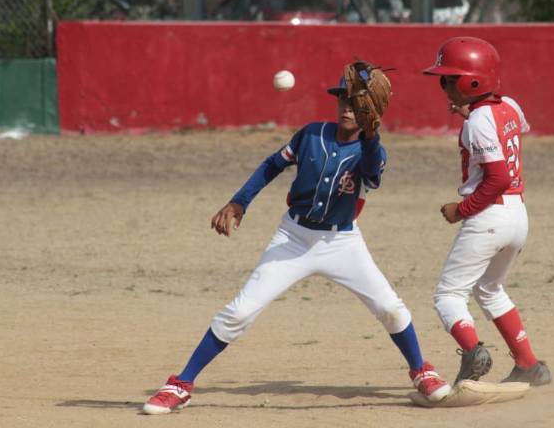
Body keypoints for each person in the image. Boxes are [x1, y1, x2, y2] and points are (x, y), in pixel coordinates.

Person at [142, 62, 451, 414]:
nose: (349, 107)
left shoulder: (374, 152)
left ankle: (421, 370)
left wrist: (370, 134)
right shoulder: (311, 134)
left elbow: (369, 172)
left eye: (359, 102)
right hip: (293, 237)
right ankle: (181, 383)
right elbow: (273, 164)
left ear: (374, 110)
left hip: (342, 243)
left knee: (391, 309)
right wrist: (240, 202)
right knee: (240, 312)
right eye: (344, 99)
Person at [421, 36, 552, 387]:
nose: (443, 85)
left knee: (448, 296)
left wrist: (460, 210)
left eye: (448, 79)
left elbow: (497, 177)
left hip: (489, 215)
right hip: (517, 215)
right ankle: (528, 364)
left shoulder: (477, 121)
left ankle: (472, 351)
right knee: (490, 289)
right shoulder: (508, 105)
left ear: (471, 81)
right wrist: (472, 113)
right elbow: (511, 132)